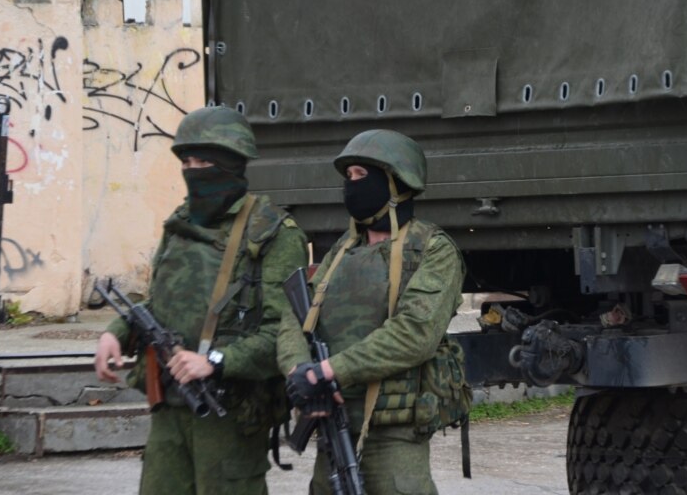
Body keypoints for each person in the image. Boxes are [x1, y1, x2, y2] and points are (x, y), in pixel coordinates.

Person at [94, 105, 308, 495]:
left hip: (230, 412)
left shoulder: (274, 233)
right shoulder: (180, 223)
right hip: (170, 410)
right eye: (187, 162)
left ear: (230, 163)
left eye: (204, 161)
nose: (193, 171)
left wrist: (216, 361)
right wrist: (116, 332)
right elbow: (156, 300)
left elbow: (285, 332)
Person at [278, 129, 466, 495]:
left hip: (394, 436)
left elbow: (415, 333)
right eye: (347, 178)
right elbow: (293, 317)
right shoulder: (341, 252)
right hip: (332, 422)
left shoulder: (433, 249)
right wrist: (299, 369)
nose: (351, 187)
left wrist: (329, 372)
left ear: (395, 182)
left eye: (361, 176)